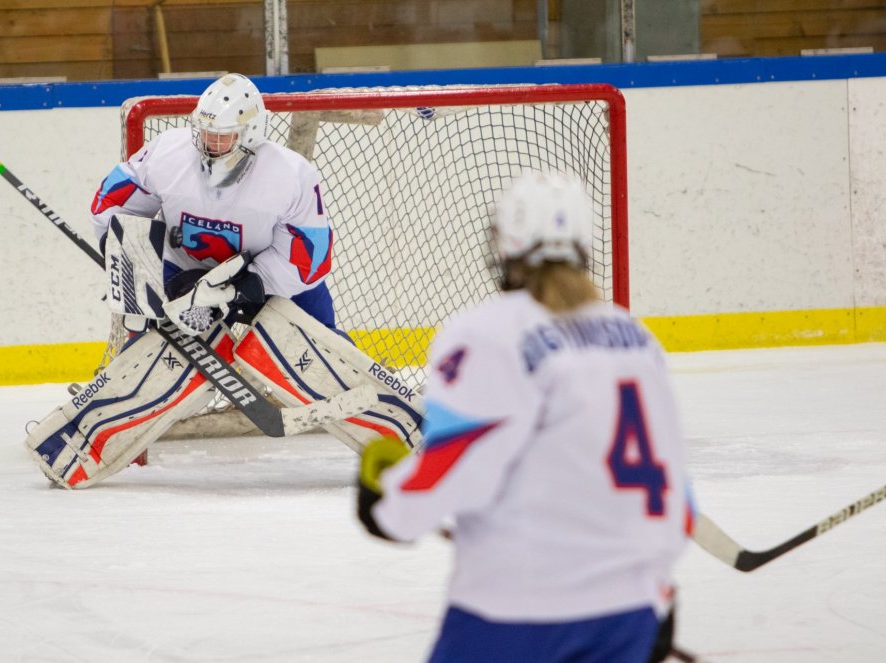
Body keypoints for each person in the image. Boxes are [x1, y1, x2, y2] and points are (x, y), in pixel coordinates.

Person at [356, 171, 694, 663]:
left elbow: (455, 467)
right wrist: (654, 591)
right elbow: (674, 491)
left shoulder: (488, 333)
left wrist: (385, 503)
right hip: (629, 611)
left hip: (514, 613)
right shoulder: (636, 337)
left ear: (505, 244)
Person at [90, 72, 336, 331]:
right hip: (183, 278)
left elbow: (310, 256)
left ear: (249, 132)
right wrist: (123, 254)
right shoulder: (168, 153)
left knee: (324, 354)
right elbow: (115, 201)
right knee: (158, 361)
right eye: (205, 132)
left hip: (269, 280)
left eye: (220, 136)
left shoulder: (290, 174)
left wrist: (244, 286)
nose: (209, 143)